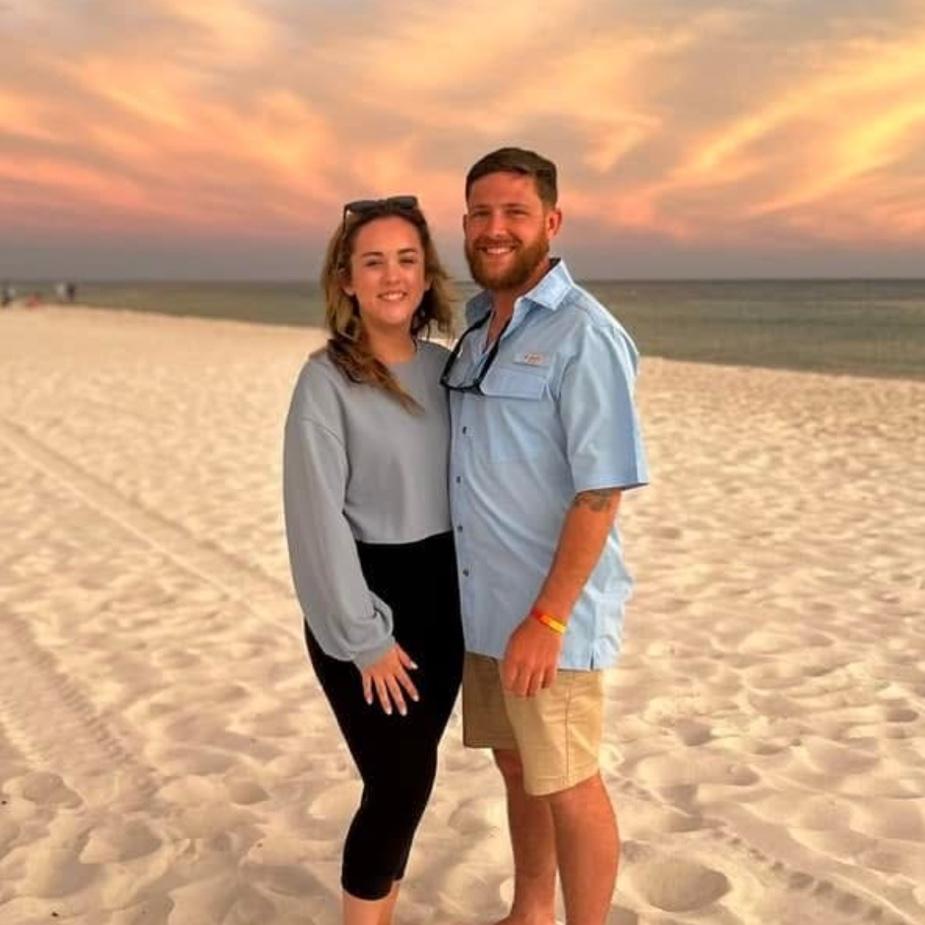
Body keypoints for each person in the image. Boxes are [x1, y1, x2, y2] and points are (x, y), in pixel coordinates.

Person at [442, 148, 649, 925]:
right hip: (485, 609)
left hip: (546, 618)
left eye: (514, 213)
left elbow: (600, 491)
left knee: (567, 779)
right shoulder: (475, 327)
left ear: (551, 222)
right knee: (516, 764)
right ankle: (529, 911)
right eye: (480, 213)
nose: (494, 228)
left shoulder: (583, 334)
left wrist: (549, 617)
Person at [283, 196, 463, 925]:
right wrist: (364, 636)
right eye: (374, 261)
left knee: (410, 783)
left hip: (446, 602)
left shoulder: (449, 369)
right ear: (347, 279)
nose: (393, 275)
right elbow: (315, 519)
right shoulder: (326, 381)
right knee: (395, 785)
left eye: (407, 259)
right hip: (368, 600)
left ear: (426, 274)